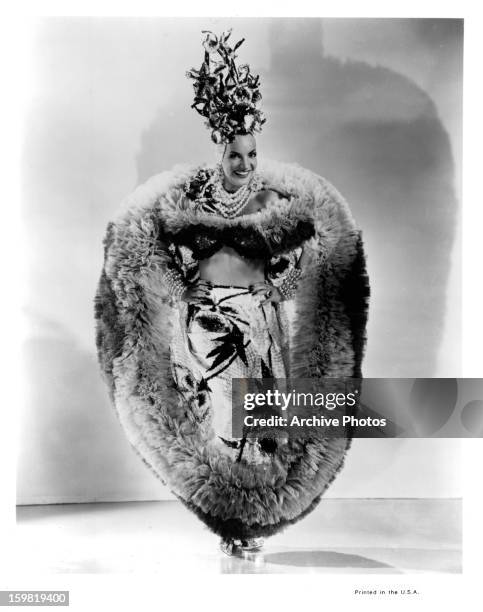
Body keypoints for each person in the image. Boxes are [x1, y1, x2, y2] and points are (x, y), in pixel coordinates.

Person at [95, 29, 369, 557]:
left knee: (260, 425)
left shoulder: (271, 198)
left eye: (251, 153)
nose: (244, 163)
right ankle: (228, 525)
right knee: (219, 422)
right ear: (220, 150)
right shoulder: (188, 197)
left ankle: (248, 528)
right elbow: (151, 246)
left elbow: (313, 247)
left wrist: (280, 286)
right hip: (206, 327)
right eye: (235, 154)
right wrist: (181, 289)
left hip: (259, 326)